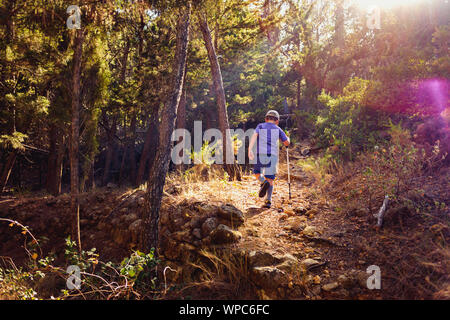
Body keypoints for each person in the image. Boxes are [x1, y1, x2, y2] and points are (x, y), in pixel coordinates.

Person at [248, 110, 290, 208]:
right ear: (277, 121)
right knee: (270, 178)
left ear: (266, 119)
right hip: (272, 156)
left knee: (257, 172)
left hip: (260, 154)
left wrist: (250, 149)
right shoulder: (278, 129)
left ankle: (263, 181)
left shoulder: (260, 126)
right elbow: (286, 143)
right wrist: (288, 138)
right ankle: (268, 201)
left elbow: (254, 136)